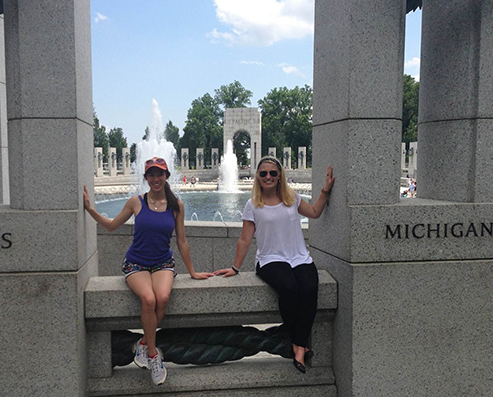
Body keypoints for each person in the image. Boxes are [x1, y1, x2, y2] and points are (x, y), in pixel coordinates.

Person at [83, 156, 213, 385]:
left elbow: (182, 241)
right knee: (148, 299)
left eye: (160, 174)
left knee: (163, 297)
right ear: (146, 178)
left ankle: (143, 343)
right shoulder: (136, 202)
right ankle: (153, 356)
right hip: (136, 263)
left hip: (163, 262)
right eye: (151, 174)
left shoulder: (176, 206)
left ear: (166, 177)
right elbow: (112, 226)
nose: (156, 179)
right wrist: (90, 210)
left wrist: (192, 272)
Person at [214, 156, 335, 374]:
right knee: (289, 289)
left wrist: (325, 191)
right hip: (270, 259)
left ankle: (297, 343)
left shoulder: (292, 198)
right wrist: (235, 268)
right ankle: (300, 344)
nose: (268, 177)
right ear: (257, 178)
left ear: (280, 176)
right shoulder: (253, 205)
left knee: (309, 288)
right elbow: (245, 238)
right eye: (263, 174)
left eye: (272, 173)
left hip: (298, 257)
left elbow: (315, 213)